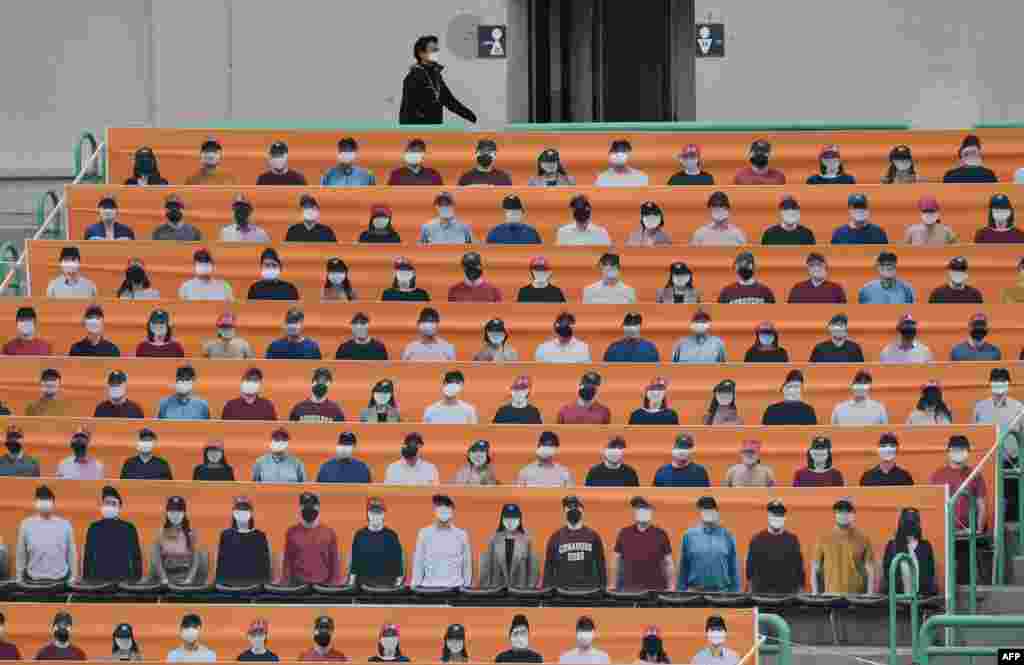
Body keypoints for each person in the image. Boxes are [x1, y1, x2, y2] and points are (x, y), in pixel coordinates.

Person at [931, 436, 987, 582]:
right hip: (945, 532)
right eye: (955, 450)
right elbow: (934, 506)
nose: (959, 453)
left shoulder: (975, 475)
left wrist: (978, 530)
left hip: (968, 533)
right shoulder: (937, 475)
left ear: (968, 452)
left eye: (962, 450)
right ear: (948, 451)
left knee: (965, 569)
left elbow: (982, 505)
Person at [400, 35, 477, 124]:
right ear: (421, 54)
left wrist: (471, 116)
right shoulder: (412, 78)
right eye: (433, 50)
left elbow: (449, 101)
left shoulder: (436, 76)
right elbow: (406, 111)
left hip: (435, 128)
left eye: (437, 50)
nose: (436, 53)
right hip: (419, 130)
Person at [812, 498, 877, 594]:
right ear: (835, 513)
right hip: (830, 596)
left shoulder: (863, 538)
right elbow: (815, 567)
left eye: (847, 511)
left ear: (853, 514)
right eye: (840, 511)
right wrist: (815, 593)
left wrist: (869, 594)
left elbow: (870, 569)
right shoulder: (823, 538)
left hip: (855, 596)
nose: (843, 514)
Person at [543, 496, 608, 589]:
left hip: (588, 591)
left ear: (582, 510)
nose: (572, 509)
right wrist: (546, 590)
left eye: (575, 506)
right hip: (562, 592)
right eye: (569, 507)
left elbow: (601, 565)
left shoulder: (593, 536)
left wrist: (602, 588)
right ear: (564, 511)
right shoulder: (555, 537)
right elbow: (549, 567)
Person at [81, 485, 142, 582]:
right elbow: (88, 556)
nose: (109, 506)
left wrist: (136, 579)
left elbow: (136, 557)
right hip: (98, 580)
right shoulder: (94, 527)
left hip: (123, 579)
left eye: (113, 503)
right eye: (107, 503)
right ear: (102, 505)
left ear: (119, 507)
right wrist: (86, 579)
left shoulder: (129, 528)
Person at [678, 496, 739, 592]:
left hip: (721, 594)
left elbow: (733, 569)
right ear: (700, 512)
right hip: (695, 593)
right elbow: (683, 567)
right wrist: (680, 593)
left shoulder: (728, 536)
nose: (707, 513)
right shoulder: (689, 536)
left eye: (710, 509)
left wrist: (736, 594)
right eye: (704, 509)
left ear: (717, 511)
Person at [16, 485, 76, 582]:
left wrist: (73, 577)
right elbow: (21, 553)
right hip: (33, 578)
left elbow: (71, 553)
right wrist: (19, 577)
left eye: (47, 499)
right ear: (36, 502)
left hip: (60, 578)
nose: (44, 502)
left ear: (53, 502)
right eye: (41, 499)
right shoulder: (26, 524)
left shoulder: (65, 524)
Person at [411, 494, 472, 588]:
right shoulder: (424, 533)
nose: (443, 512)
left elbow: (467, 564)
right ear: (435, 511)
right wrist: (415, 585)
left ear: (452, 511)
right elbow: (418, 562)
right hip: (430, 588)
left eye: (446, 508)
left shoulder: (461, 535)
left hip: (455, 588)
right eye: (439, 508)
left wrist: (467, 586)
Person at [281, 492, 342, 585]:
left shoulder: (329, 533)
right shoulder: (291, 532)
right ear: (300, 508)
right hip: (298, 585)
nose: (309, 508)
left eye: (312, 505)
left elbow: (335, 564)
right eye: (305, 505)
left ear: (318, 507)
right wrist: (285, 586)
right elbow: (287, 563)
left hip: (323, 585)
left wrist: (333, 588)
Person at [613, 497, 673, 591]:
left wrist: (671, 587)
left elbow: (668, 562)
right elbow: (617, 561)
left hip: (655, 590)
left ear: (651, 512)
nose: (641, 512)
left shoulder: (661, 534)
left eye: (644, 509)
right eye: (638, 509)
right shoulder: (624, 533)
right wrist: (615, 585)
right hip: (629, 590)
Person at [745, 500, 805, 594]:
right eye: (774, 514)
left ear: (785, 518)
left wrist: (801, 589)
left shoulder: (792, 540)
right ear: (768, 516)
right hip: (762, 596)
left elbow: (799, 568)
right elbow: (750, 570)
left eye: (780, 515)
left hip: (787, 597)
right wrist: (751, 591)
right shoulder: (757, 540)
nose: (777, 518)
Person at [478, 503, 541, 588]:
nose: (510, 521)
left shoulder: (528, 540)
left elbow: (534, 569)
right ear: (502, 519)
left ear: (520, 519)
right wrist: (487, 590)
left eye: (514, 518)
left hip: (521, 592)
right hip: (497, 592)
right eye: (507, 518)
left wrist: (529, 590)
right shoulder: (493, 539)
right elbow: (486, 568)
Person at [348, 497, 405, 587]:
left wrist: (396, 587)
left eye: (378, 513)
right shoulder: (359, 535)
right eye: (372, 512)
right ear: (367, 514)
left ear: (383, 514)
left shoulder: (391, 536)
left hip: (386, 586)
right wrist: (350, 585)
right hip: (363, 586)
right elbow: (354, 566)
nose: (375, 516)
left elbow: (399, 568)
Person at [215, 496, 272, 586]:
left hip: (255, 585)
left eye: (246, 510)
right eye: (239, 510)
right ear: (233, 513)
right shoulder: (226, 535)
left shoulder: (260, 536)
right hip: (230, 585)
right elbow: (221, 564)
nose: (242, 513)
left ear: (251, 513)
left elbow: (265, 566)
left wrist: (263, 586)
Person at [881, 508, 938, 597]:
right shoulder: (892, 546)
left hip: (920, 600)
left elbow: (930, 574)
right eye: (907, 522)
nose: (910, 526)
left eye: (913, 522)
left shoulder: (925, 547)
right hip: (898, 601)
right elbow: (887, 573)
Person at [149, 495, 206, 585]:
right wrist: (164, 579)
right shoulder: (160, 533)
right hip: (166, 578)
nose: (175, 515)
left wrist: (189, 580)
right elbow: (157, 560)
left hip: (185, 577)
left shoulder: (191, 533)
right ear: (167, 513)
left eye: (179, 512)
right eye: (171, 512)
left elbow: (196, 561)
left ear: (184, 513)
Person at [973, 367, 1024, 465]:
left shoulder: (1019, 407)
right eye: (996, 381)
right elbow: (975, 435)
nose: (999, 384)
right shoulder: (979, 407)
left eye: (1003, 381)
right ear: (990, 384)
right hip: (986, 461)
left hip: (1013, 462)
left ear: (1008, 384)